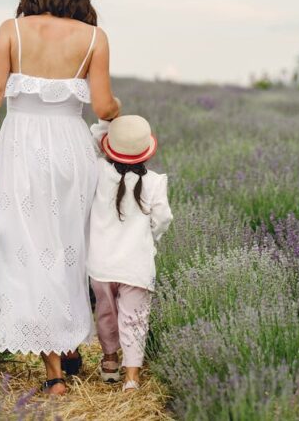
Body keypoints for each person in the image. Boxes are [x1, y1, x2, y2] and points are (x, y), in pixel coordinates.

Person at [0, 0, 122, 396]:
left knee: (28, 247)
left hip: (22, 148)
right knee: (70, 245)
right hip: (71, 149)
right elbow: (103, 108)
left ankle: (54, 372)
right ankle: (68, 345)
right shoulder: (95, 38)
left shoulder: (11, 31)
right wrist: (118, 111)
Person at [87, 115, 173, 392]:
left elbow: (89, 144)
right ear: (147, 150)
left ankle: (110, 362)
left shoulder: (97, 170)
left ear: (109, 148)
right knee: (134, 320)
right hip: (136, 265)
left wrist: (105, 121)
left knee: (105, 314)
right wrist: (151, 237)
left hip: (100, 264)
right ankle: (132, 378)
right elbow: (163, 219)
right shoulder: (156, 182)